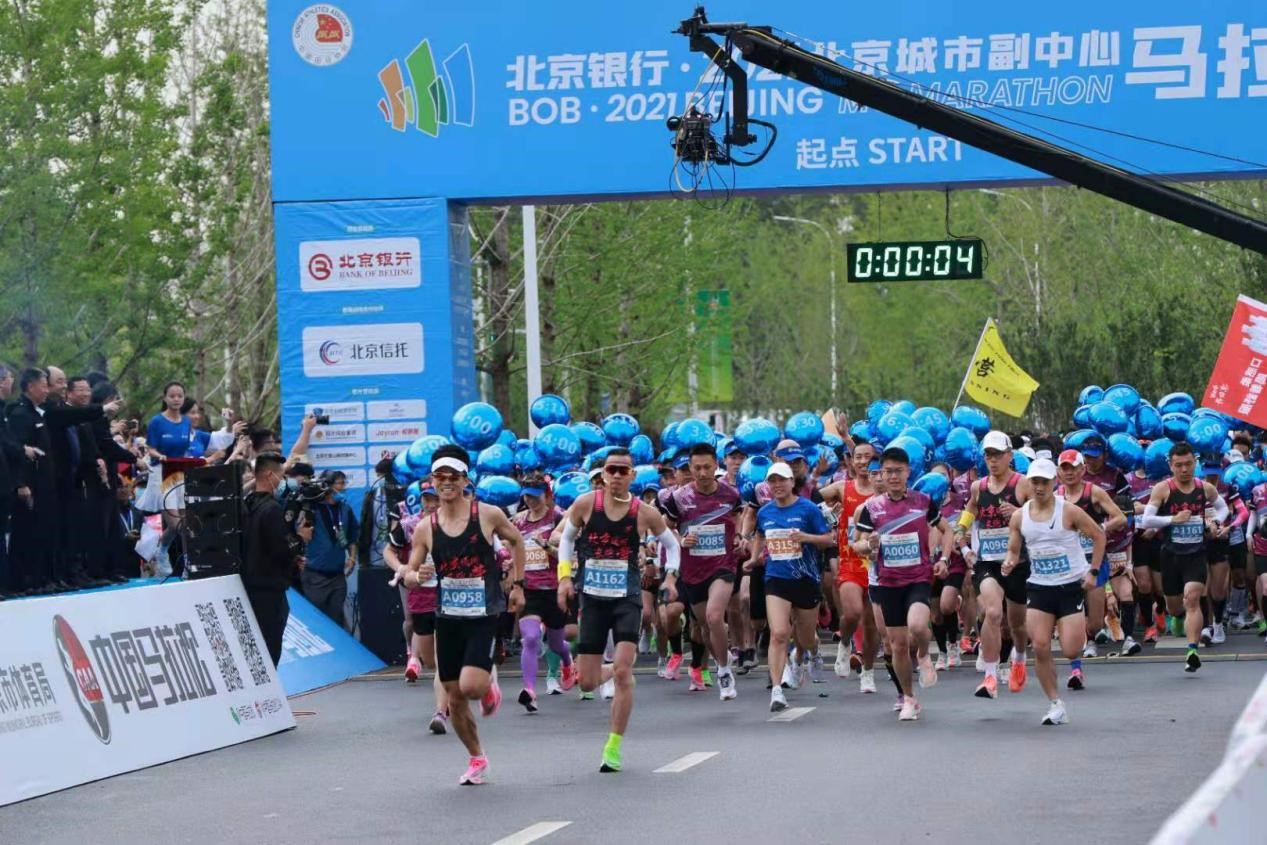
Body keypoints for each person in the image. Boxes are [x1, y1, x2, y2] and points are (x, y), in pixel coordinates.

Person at [407, 444, 525, 786]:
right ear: (431, 481)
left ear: (465, 480)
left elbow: (516, 541)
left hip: (483, 613)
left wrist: (518, 585)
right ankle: (477, 758)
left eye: (453, 476)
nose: (446, 482)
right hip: (448, 617)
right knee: (454, 697)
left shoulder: (486, 515)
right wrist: (416, 575)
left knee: (470, 686)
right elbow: (410, 572)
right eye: (440, 476)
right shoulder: (425, 528)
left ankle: (487, 685)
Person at [557, 446, 680, 772]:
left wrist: (670, 576)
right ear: (602, 474)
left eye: (622, 471)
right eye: (610, 470)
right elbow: (566, 540)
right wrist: (564, 578)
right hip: (593, 600)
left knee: (625, 673)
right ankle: (607, 670)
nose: (615, 476)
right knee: (587, 683)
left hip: (627, 598)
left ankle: (612, 747)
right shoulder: (586, 504)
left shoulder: (644, 512)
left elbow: (672, 545)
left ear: (632, 475)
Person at [853, 446, 952, 722]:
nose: (893, 476)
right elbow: (857, 543)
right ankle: (909, 698)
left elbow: (947, 530)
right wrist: (868, 545)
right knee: (897, 645)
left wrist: (944, 558)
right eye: (888, 472)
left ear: (908, 472)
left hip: (918, 577)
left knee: (918, 626)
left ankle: (924, 653)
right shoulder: (871, 508)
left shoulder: (923, 501)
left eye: (898, 471)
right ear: (881, 475)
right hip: (888, 582)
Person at [1003, 457, 1104, 725]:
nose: (1039, 487)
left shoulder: (1069, 511)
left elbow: (1099, 536)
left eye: (1044, 482)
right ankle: (1055, 703)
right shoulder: (1019, 516)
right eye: (1035, 482)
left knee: (1071, 649)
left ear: (1054, 482)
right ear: (1029, 483)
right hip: (1039, 587)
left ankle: (1075, 636)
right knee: (1040, 645)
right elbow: (1013, 549)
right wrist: (1009, 561)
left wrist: (1093, 571)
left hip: (1070, 586)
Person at [745, 461, 834, 713]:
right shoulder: (765, 512)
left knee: (805, 638)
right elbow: (760, 535)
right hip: (776, 578)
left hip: (806, 579)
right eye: (772, 481)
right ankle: (777, 690)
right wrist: (754, 558)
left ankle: (812, 651)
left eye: (782, 480)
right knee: (779, 633)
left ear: (792, 482)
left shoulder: (808, 509)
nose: (777, 485)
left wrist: (807, 538)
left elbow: (829, 539)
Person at [661, 442, 744, 701]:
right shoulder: (678, 498)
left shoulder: (730, 494)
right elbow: (666, 527)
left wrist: (739, 535)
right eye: (696, 468)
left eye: (707, 467)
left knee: (714, 615)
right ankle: (721, 657)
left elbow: (739, 516)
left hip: (723, 564)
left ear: (716, 465)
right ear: (690, 468)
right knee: (705, 627)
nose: (702, 473)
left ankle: (724, 672)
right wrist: (681, 539)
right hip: (693, 569)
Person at [955, 430, 1032, 699]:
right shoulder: (979, 487)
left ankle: (1019, 659)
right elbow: (970, 510)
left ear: (1009, 455)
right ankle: (989, 675)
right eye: (988, 455)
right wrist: (961, 537)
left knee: (1017, 624)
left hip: (1018, 562)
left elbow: (1042, 513)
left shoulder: (1022, 484)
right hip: (988, 561)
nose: (993, 460)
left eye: (998, 454)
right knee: (992, 612)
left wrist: (1020, 513)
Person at [1140, 442, 1229, 673]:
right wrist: (1173, 519)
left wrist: (1214, 522)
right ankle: (1175, 616)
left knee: (1192, 598)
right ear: (1171, 466)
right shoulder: (1163, 489)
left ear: (1195, 463)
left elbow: (1224, 509)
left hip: (1196, 553)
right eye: (1179, 465)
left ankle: (1192, 651)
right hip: (1170, 555)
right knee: (1174, 606)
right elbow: (1147, 520)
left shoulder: (1204, 488)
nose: (1184, 469)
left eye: (1188, 464)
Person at [385, 482, 450, 734]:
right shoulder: (409, 525)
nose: (432, 504)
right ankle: (447, 690)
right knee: (430, 659)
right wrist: (401, 568)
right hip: (419, 598)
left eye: (435, 498)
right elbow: (388, 551)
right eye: (427, 499)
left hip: (448, 597)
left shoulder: (454, 524)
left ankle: (441, 711)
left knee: (443, 658)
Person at [1055, 448, 1127, 671]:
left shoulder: (1094, 492)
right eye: (1064, 468)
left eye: (1073, 468)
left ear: (1082, 469)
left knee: (1095, 620)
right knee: (1071, 610)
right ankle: (1081, 651)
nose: (1069, 473)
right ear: (1058, 472)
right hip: (1067, 562)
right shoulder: (1055, 496)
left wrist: (1099, 529)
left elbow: (1121, 518)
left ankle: (1093, 632)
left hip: (1093, 560)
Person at [511, 472, 577, 711]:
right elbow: (510, 547)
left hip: (554, 590)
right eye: (526, 496)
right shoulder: (518, 521)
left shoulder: (559, 517)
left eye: (535, 496)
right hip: (529, 590)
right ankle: (529, 690)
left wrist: (546, 546)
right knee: (530, 638)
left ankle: (568, 662)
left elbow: (569, 557)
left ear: (547, 495)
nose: (530, 501)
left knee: (557, 643)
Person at [819, 441, 880, 692]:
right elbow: (812, 497)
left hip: (877, 567)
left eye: (869, 457)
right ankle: (845, 643)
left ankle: (868, 672)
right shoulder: (843, 488)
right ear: (851, 462)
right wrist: (817, 477)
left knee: (872, 625)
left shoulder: (885, 492)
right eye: (859, 457)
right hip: (850, 562)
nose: (864, 462)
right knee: (852, 613)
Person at [243, 452, 311, 665]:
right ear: (269, 475)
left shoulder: (246, 504)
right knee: (269, 649)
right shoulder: (271, 508)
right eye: (281, 476)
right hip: (268, 591)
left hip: (248, 587)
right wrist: (300, 539)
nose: (283, 481)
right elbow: (280, 549)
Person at [302, 472, 359, 629]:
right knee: (316, 623)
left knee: (336, 621)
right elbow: (299, 533)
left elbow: (352, 537)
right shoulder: (312, 509)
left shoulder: (345, 510)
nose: (343, 487)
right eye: (340, 483)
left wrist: (352, 558)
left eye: (344, 483)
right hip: (315, 577)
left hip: (338, 577)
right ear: (328, 486)